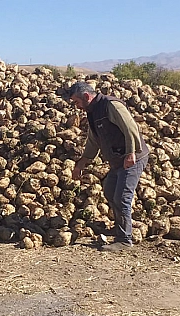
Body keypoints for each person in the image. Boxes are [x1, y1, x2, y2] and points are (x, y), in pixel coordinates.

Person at [68, 81, 149, 252]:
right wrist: (82, 162)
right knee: (110, 191)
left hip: (132, 157)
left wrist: (131, 152)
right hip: (118, 160)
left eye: (76, 102)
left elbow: (131, 128)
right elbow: (93, 140)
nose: (76, 106)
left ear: (86, 96)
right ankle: (121, 226)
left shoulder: (111, 105)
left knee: (122, 197)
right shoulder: (92, 112)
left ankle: (124, 240)